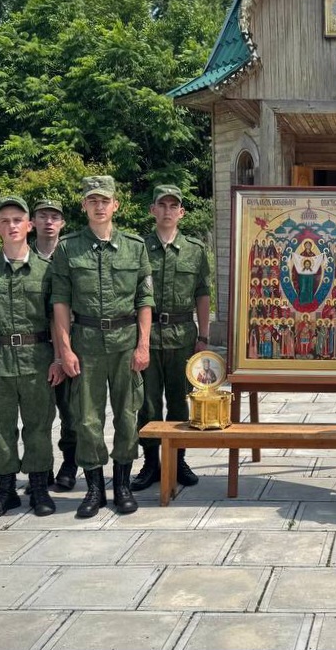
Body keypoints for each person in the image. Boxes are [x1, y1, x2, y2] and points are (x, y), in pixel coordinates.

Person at [50, 176, 154, 518]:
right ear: (84, 205)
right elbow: (61, 302)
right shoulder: (67, 248)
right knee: (87, 419)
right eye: (92, 200)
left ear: (115, 205)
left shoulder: (135, 247)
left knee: (127, 415)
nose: (98, 206)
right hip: (87, 344)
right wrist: (65, 349)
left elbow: (144, 300)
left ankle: (122, 485)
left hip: (125, 344)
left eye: (104, 200)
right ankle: (95, 488)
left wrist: (143, 345)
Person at [0, 197, 64, 519]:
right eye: (5, 220)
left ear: (29, 226)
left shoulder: (47, 271)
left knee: (38, 427)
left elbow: (57, 318)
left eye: (18, 220)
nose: (12, 226)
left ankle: (38, 489)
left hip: (38, 359)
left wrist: (59, 358)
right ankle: (5, 491)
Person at [131, 185, 211, 493]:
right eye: (161, 205)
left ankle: (178, 461)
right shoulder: (138, 248)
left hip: (182, 337)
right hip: (148, 338)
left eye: (173, 205)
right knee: (147, 404)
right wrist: (138, 340)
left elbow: (203, 294)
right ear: (152, 210)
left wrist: (203, 335)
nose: (167, 210)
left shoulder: (194, 249)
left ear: (181, 213)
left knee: (180, 403)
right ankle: (151, 463)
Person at [30, 197, 77, 491]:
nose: (49, 222)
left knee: (71, 411)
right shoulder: (22, 257)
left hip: (70, 342)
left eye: (54, 217)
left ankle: (69, 464)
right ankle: (40, 467)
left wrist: (64, 353)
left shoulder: (73, 254)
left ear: (62, 223)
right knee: (37, 412)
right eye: (43, 216)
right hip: (34, 345)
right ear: (32, 222)